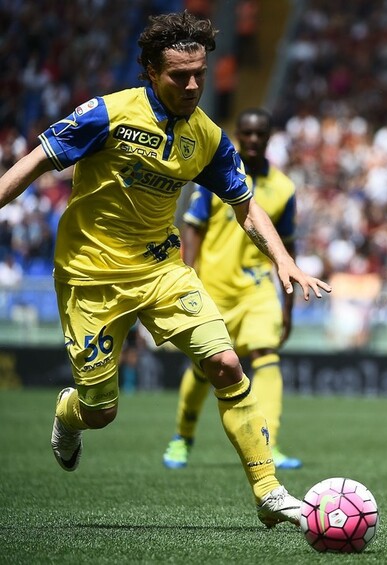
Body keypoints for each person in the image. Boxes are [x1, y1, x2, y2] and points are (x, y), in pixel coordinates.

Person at [0, 11, 330, 529]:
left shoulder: (208, 137)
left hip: (162, 270)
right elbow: (37, 160)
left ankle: (269, 491)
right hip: (90, 275)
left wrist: (285, 261)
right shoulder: (107, 114)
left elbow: (245, 205)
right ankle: (70, 412)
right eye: (180, 76)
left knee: (227, 364)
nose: (193, 86)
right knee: (101, 410)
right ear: (151, 72)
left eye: (200, 74)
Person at [163, 107, 302, 471]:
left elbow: (288, 246)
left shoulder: (284, 189)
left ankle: (269, 443)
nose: (253, 139)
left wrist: (288, 307)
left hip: (256, 290)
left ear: (269, 138)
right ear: (238, 136)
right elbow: (193, 227)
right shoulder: (216, 175)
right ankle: (182, 437)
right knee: (205, 367)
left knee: (266, 354)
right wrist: (188, 276)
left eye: (260, 134)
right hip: (213, 288)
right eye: (247, 133)